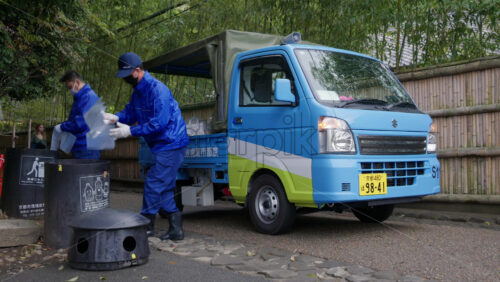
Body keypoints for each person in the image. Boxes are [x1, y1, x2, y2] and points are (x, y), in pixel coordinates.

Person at [104, 52, 189, 240]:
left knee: (153, 183)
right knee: (165, 188)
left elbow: (159, 123)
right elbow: (130, 113)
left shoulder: (159, 90)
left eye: (128, 75)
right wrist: (115, 117)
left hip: (172, 142)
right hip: (161, 144)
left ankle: (146, 226)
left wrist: (130, 132)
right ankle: (176, 229)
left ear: (138, 70)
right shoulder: (138, 92)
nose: (126, 79)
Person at [56, 71, 100, 159]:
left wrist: (62, 127)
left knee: (85, 172)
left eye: (70, 87)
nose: (70, 90)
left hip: (87, 146)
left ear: (78, 82)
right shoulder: (80, 98)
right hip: (80, 145)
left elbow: (81, 122)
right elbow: (74, 120)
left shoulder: (88, 97)